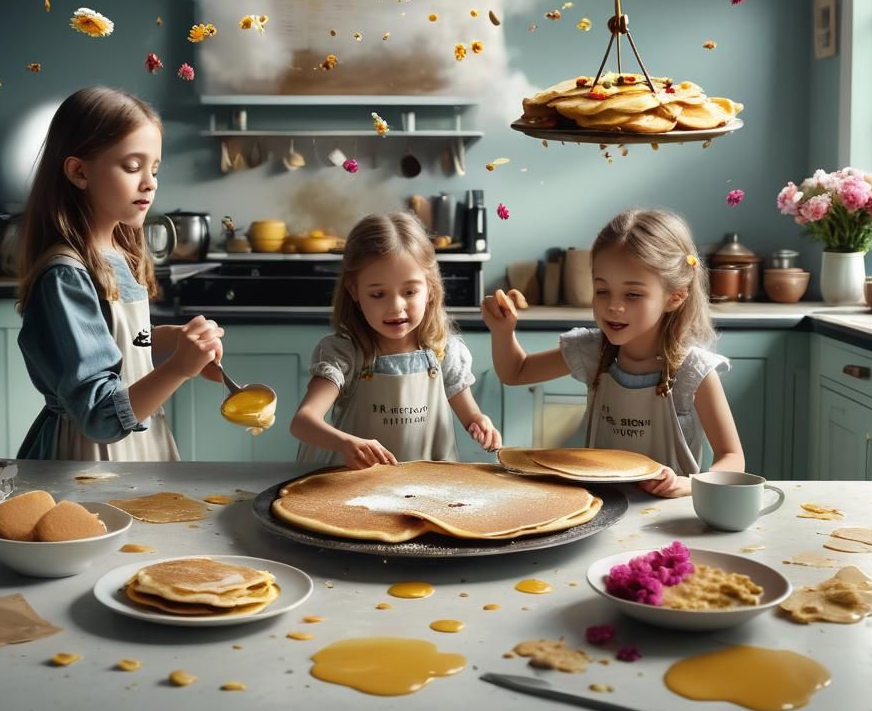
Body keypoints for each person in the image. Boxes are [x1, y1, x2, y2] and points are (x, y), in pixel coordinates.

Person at [15, 87, 224, 460]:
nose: (150, 182)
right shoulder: (65, 277)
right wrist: (179, 368)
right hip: (88, 458)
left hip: (142, 441)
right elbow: (99, 417)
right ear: (79, 171)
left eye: (155, 169)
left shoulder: (117, 255)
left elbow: (121, 341)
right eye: (132, 167)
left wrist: (174, 340)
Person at [481, 209, 744, 497]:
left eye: (632, 295)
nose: (613, 306)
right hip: (598, 507)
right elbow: (515, 372)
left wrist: (689, 484)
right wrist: (503, 332)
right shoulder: (593, 352)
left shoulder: (693, 370)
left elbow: (732, 457)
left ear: (675, 296)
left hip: (667, 517)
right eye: (602, 290)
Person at [290, 211, 502, 468]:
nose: (395, 307)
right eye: (378, 294)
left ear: (431, 288)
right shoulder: (344, 353)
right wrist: (346, 443)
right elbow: (303, 422)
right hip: (356, 491)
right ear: (354, 291)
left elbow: (472, 416)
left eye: (410, 291)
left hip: (431, 491)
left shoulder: (444, 351)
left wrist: (481, 423)